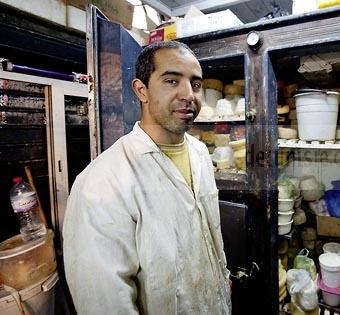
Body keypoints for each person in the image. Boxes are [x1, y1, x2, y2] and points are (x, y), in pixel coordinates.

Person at [62, 41, 232, 314]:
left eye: (196, 84)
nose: (188, 94)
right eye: (171, 81)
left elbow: (210, 238)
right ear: (141, 90)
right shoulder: (101, 183)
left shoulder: (200, 153)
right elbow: (105, 304)